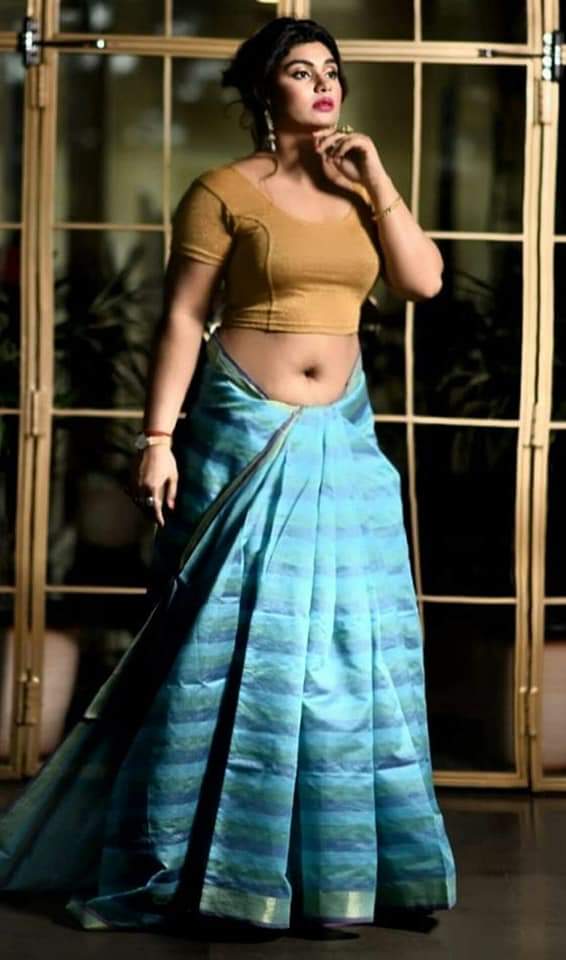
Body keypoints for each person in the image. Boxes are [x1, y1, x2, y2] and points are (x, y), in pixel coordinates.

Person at [0, 16, 456, 934]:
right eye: (301, 71)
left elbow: (423, 282)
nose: (323, 84)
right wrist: (157, 438)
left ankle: (332, 874)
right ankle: (211, 870)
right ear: (263, 91)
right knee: (236, 647)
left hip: (343, 443)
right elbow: (181, 317)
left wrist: (377, 179)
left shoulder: (362, 189)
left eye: (331, 70)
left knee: (345, 650)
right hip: (244, 435)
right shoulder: (221, 191)